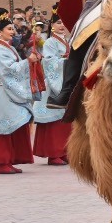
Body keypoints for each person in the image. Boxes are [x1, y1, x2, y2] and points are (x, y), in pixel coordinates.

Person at [0, 19, 38, 174]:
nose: (13, 31)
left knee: (15, 125)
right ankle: (2, 162)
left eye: (13, 29)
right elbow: (8, 71)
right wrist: (28, 61)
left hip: (10, 91)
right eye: (9, 29)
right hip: (6, 93)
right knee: (5, 127)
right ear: (0, 32)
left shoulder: (8, 48)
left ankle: (10, 160)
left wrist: (31, 61)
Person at [32, 17, 71, 165]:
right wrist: (67, 60)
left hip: (66, 83)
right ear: (52, 25)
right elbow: (49, 62)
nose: (62, 25)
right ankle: (54, 153)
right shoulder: (49, 42)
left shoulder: (68, 40)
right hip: (55, 84)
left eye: (63, 22)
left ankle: (65, 151)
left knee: (65, 120)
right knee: (54, 121)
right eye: (58, 23)